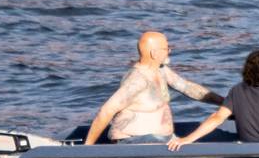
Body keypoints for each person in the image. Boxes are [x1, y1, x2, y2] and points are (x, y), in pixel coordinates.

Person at [83, 31, 222, 146]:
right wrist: (87, 149)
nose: (169, 51)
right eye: (166, 48)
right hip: (134, 142)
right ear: (154, 53)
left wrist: (225, 103)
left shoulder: (161, 70)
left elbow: (188, 88)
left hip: (159, 139)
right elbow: (106, 110)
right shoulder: (137, 80)